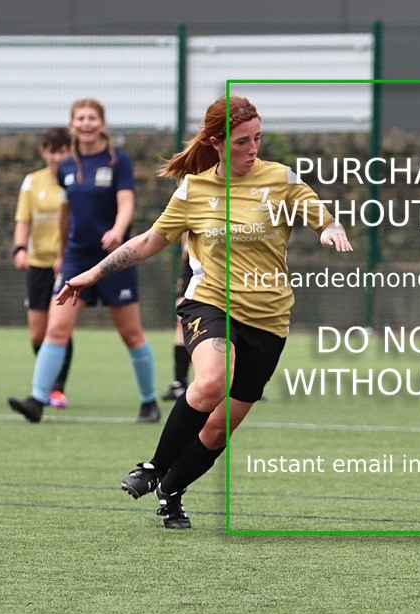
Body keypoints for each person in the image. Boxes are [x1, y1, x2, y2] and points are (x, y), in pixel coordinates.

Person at [56, 95, 352, 529]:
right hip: (209, 302)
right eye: (243, 142)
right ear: (216, 142)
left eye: (258, 139)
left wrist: (332, 232)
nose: (253, 149)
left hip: (270, 321)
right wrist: (93, 273)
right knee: (213, 379)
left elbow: (326, 220)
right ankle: (155, 466)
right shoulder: (194, 190)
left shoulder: (282, 181)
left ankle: (171, 491)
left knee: (217, 430)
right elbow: (149, 242)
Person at [8, 99, 160, 424]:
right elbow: (66, 216)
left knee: (131, 333)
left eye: (92, 118)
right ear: (73, 124)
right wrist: (62, 253)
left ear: (102, 124)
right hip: (77, 258)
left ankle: (149, 403)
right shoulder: (66, 166)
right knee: (56, 329)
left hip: (114, 258)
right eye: (81, 119)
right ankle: (37, 399)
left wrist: (118, 231)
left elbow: (127, 201)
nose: (86, 124)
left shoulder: (119, 161)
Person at [12, 127, 74, 409]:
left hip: (69, 263)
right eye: (52, 151)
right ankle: (48, 381)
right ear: (44, 152)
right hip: (39, 263)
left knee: (58, 326)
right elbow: (23, 220)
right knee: (37, 333)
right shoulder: (31, 182)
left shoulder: (75, 180)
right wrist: (20, 248)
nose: (57, 156)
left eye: (63, 150)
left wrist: (67, 254)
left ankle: (56, 388)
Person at [161, 236, 193, 401]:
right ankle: (180, 382)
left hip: (229, 264)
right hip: (195, 263)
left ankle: (238, 381)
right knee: (183, 318)